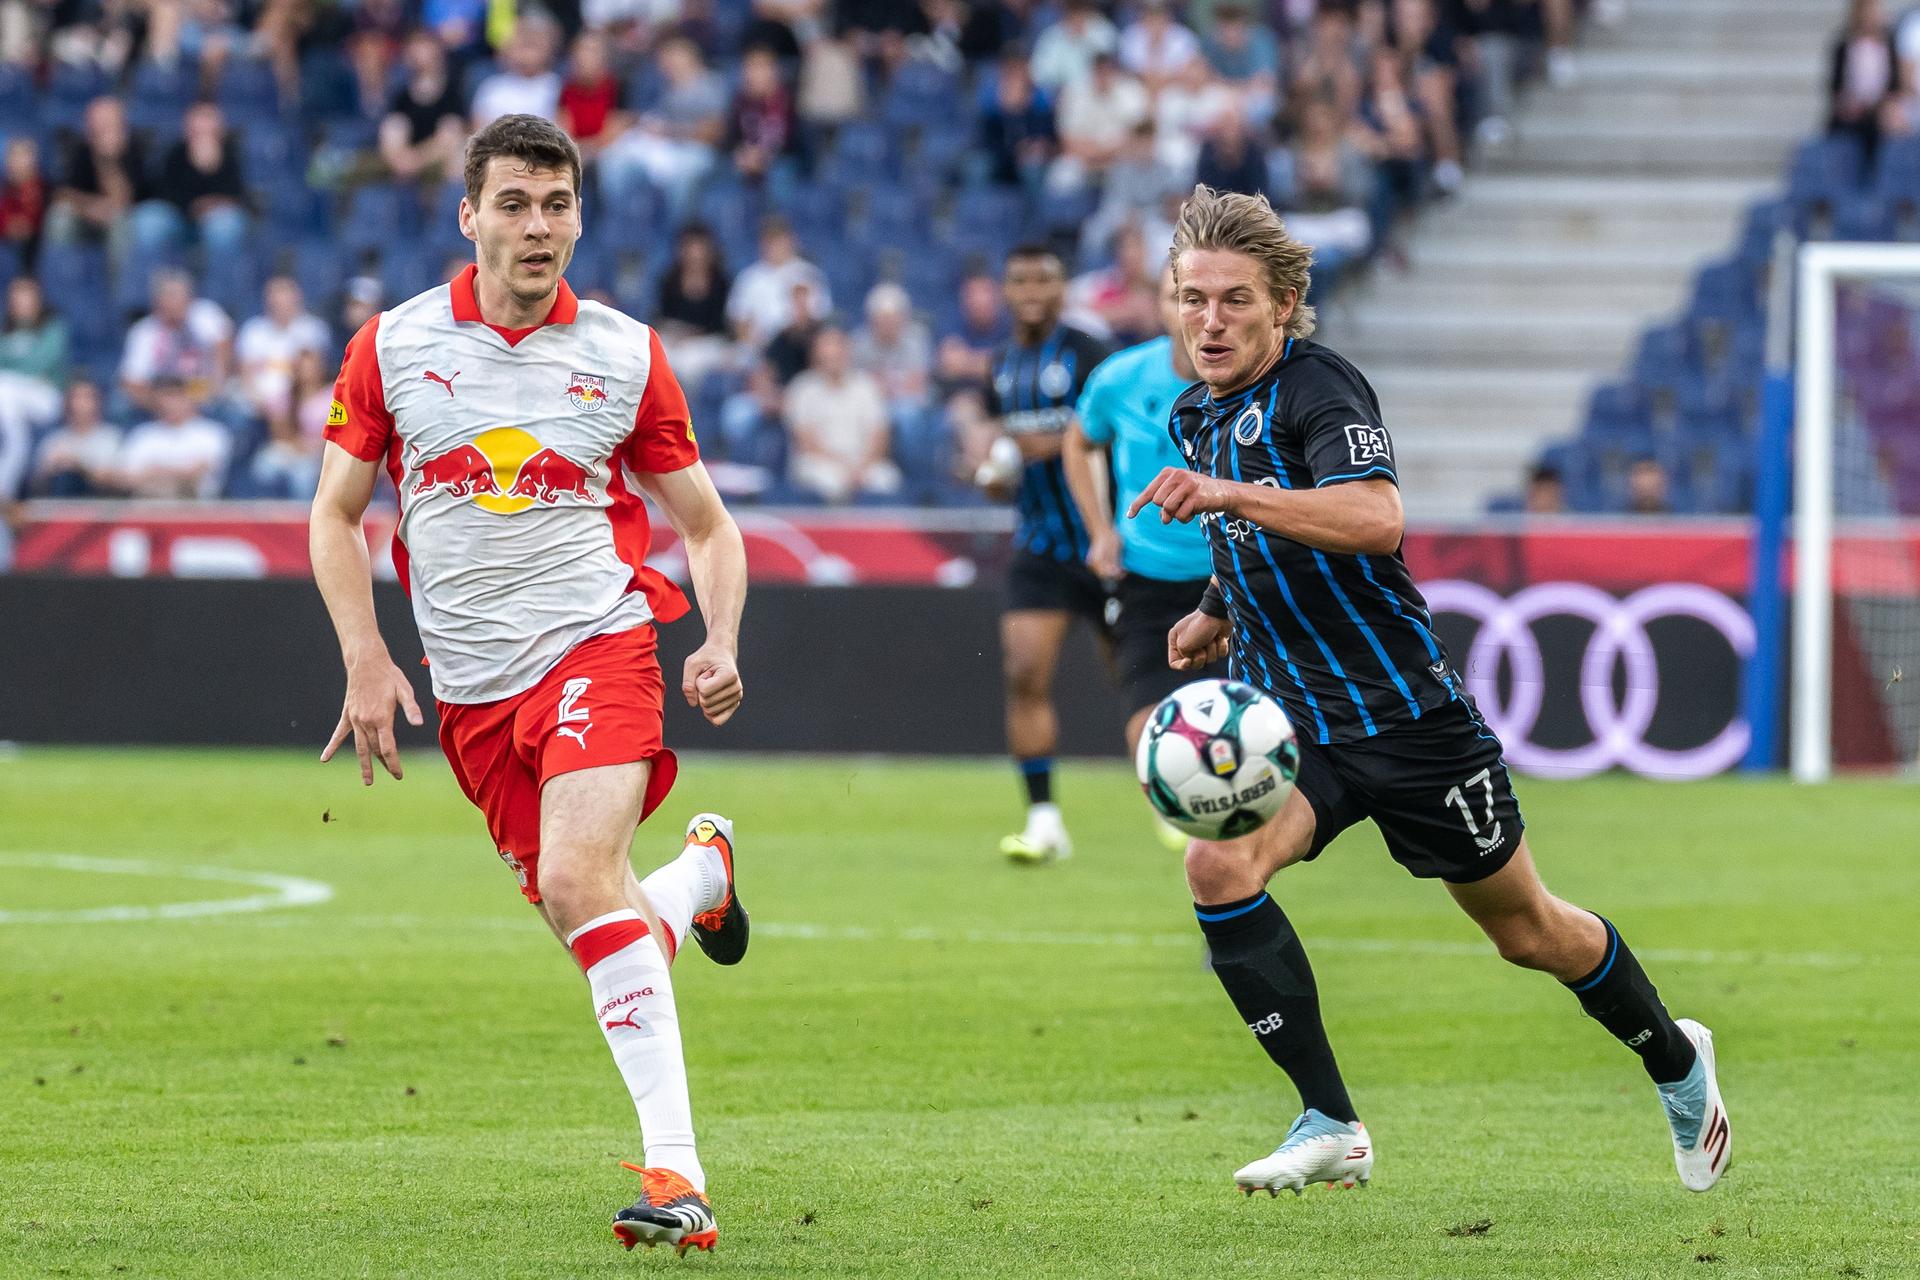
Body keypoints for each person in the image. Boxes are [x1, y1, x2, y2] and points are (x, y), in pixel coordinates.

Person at [1127, 185, 1730, 1197]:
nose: (1210, 320)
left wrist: (1228, 497)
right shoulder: (1197, 412)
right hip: (1294, 725)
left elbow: (1372, 517)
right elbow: (1256, 537)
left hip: (1409, 722)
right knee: (1217, 868)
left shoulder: (1321, 389)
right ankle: (1329, 1117)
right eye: (1192, 299)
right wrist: (1216, 606)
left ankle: (1676, 1059)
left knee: (1527, 930)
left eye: (1234, 299)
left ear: (1283, 305)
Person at [309, 114, 750, 1254]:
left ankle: (679, 1173)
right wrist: (366, 653)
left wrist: (719, 635)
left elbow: (705, 523)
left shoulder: (623, 352)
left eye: (557, 205)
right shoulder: (395, 346)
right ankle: (700, 876)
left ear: (581, 216)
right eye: (514, 203)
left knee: (573, 870)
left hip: (599, 643)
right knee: (586, 906)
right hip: (467, 690)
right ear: (469, 215)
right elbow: (335, 512)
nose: (537, 226)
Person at [1060, 262, 1221, 851]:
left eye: (1198, 297)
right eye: (1176, 296)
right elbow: (1079, 439)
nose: (1189, 310)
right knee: (1147, 708)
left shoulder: (1247, 381)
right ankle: (1177, 801)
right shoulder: (1122, 377)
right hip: (1148, 577)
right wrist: (1100, 529)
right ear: (1159, 307)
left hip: (1233, 578)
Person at [978, 244, 1112, 863]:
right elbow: (995, 450)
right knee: (1022, 673)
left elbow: (1117, 431)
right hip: (1038, 546)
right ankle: (1044, 819)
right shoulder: (1000, 365)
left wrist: (1052, 442)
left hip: (1107, 543)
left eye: (1044, 279)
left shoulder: (1089, 353)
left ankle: (1182, 803)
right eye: (1020, 279)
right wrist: (993, 473)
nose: (1031, 290)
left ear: (1062, 290)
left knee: (1137, 679)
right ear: (1006, 291)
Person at [782, 324, 901, 502]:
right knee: (831, 482)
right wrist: (843, 466)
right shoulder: (803, 389)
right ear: (816, 354)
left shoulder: (867, 386)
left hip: (862, 461)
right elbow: (806, 442)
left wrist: (860, 467)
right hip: (820, 461)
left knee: (887, 479)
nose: (832, 355)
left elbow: (880, 436)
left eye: (837, 348)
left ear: (847, 351)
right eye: (827, 350)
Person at [118, 375, 231, 498]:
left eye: (175, 396)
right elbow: (128, 478)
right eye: (164, 397)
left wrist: (155, 471)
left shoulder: (211, 432)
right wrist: (176, 473)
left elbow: (197, 473)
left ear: (189, 398)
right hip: (149, 506)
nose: (169, 403)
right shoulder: (143, 434)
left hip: (198, 507)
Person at [32, 378, 122, 497]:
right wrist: (50, 468)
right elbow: (36, 482)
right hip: (57, 501)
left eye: (87, 397)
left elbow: (114, 480)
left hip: (97, 503)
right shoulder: (55, 438)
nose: (81, 403)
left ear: (98, 402)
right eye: (76, 397)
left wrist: (78, 465)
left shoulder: (111, 436)